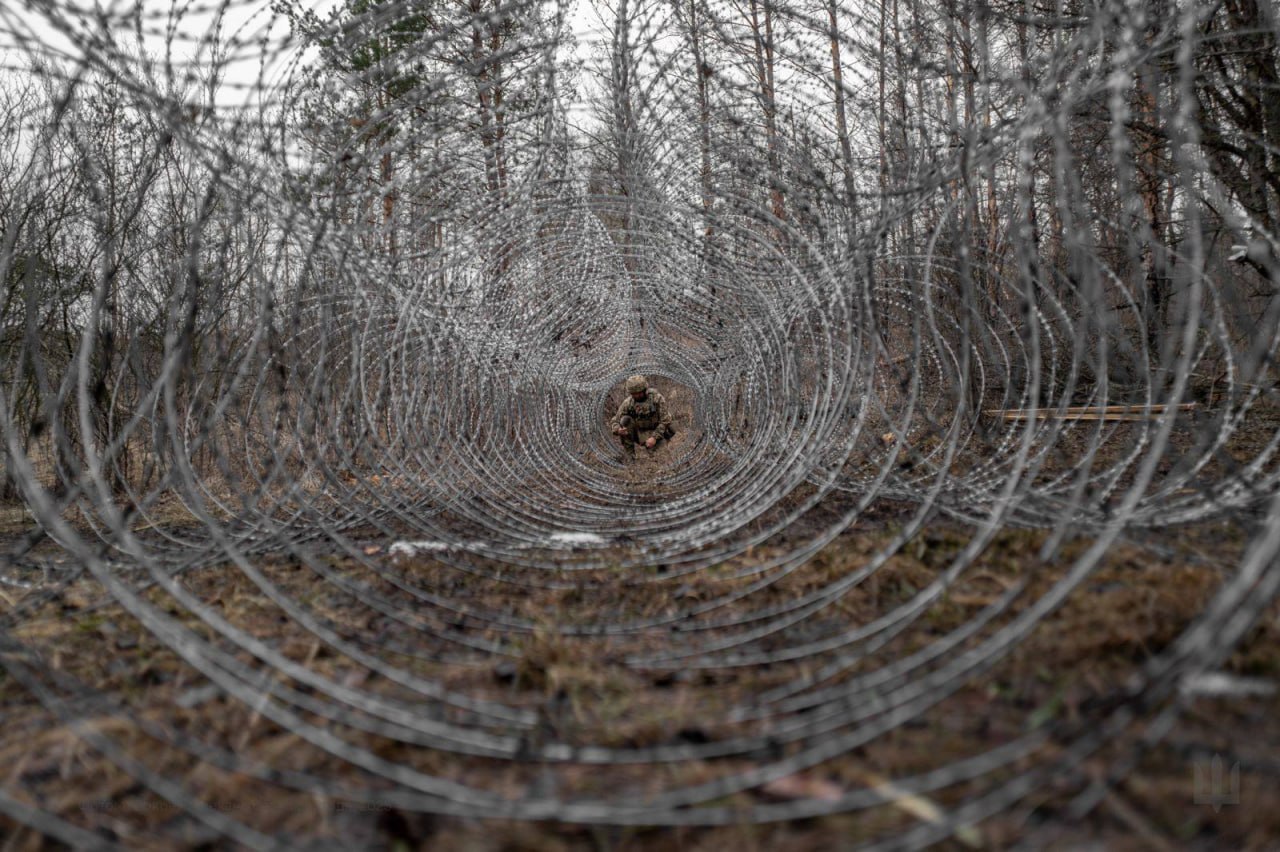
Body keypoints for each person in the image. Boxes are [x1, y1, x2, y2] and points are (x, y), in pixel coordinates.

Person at [612, 374, 673, 457]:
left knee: (660, 455)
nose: (636, 395)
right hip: (640, 432)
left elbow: (666, 420)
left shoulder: (656, 399)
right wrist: (618, 429)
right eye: (634, 393)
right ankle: (630, 457)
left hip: (657, 431)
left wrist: (654, 437)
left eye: (639, 393)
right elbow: (616, 420)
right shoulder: (629, 403)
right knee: (625, 420)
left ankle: (664, 442)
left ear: (644, 390)